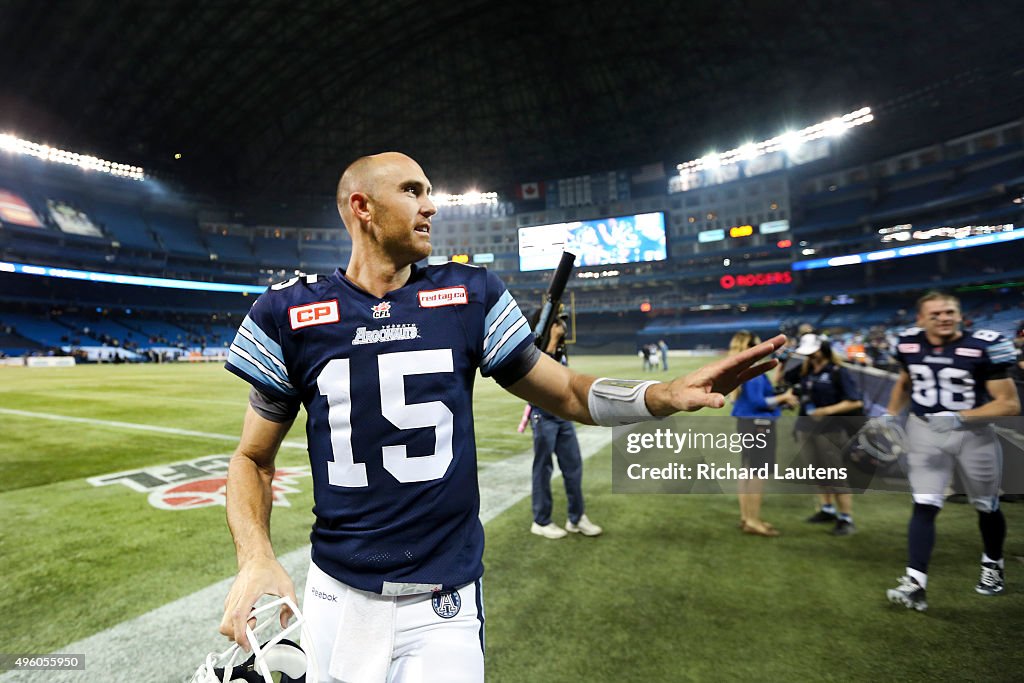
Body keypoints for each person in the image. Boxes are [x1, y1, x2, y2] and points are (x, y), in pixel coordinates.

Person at [218, 151, 785, 682]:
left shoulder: (470, 293)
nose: (430, 206)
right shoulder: (289, 312)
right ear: (361, 207)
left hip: (442, 603)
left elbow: (565, 392)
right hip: (333, 595)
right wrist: (256, 558)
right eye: (412, 191)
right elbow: (251, 458)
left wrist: (661, 394)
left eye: (430, 192)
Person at [884, 291, 1020, 612]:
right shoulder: (907, 343)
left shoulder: (985, 345)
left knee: (986, 504)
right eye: (935, 314)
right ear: (920, 319)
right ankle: (915, 583)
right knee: (925, 504)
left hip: (974, 435)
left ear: (960, 315)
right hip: (925, 431)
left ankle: (993, 563)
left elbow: (1010, 404)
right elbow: (905, 382)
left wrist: (960, 418)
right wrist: (890, 415)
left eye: (949, 312)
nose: (944, 318)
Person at [527, 307, 602, 539]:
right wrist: (551, 344)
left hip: (562, 417)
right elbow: (540, 378)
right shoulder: (535, 346)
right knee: (543, 469)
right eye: (557, 321)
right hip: (543, 416)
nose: (562, 325)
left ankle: (576, 517)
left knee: (573, 467)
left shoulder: (560, 348)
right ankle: (541, 520)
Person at [791, 333, 864, 536]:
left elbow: (855, 401)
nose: (811, 356)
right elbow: (788, 384)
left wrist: (827, 410)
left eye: (813, 352)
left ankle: (846, 518)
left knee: (835, 474)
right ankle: (827, 509)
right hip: (805, 429)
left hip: (830, 431)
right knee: (817, 472)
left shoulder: (838, 371)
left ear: (823, 349)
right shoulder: (806, 370)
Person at [728, 331, 798, 536]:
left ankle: (746, 517)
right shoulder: (753, 372)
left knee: (747, 470)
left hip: (745, 423)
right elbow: (759, 402)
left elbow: (738, 400)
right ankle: (753, 520)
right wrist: (783, 398)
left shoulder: (739, 369)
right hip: (759, 424)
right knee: (758, 473)